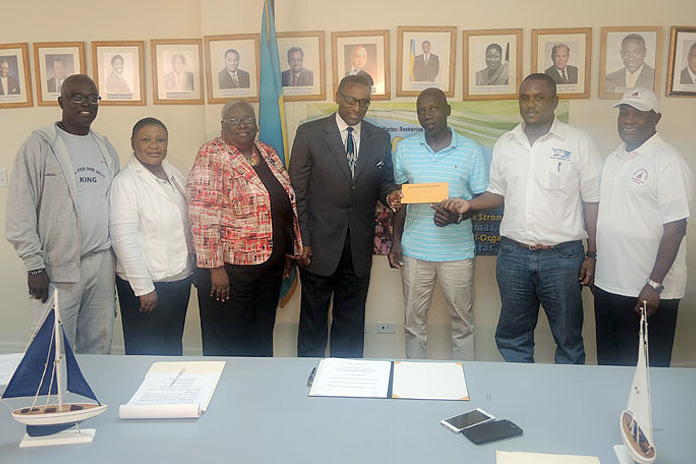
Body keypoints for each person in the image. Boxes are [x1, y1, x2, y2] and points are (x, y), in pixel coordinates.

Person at [440, 73, 602, 364]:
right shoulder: (506, 143)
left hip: (563, 258)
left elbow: (592, 201)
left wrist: (592, 252)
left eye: (539, 97)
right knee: (513, 339)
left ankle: (568, 403)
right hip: (514, 255)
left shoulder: (579, 143)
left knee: (568, 339)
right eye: (525, 97)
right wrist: (469, 204)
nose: (531, 104)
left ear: (555, 101)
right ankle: (519, 402)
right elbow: (496, 194)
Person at [289, 74, 401, 358]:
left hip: (358, 245)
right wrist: (303, 239)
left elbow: (384, 181)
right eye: (351, 100)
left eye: (364, 102)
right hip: (318, 245)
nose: (357, 107)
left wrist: (390, 196)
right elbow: (297, 193)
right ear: (337, 96)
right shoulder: (310, 134)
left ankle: (348, 381)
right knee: (313, 321)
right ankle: (307, 380)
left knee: (351, 321)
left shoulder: (379, 137)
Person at [5, 74, 119, 354]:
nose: (86, 104)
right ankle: (49, 399)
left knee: (99, 344)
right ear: (61, 101)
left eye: (93, 98)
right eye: (77, 97)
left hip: (101, 263)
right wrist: (34, 265)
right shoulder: (39, 145)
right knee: (50, 348)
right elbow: (19, 210)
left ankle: (92, 398)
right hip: (58, 266)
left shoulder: (104, 146)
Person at [187, 101, 302, 357]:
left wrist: (290, 249)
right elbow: (202, 215)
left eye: (248, 119)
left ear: (256, 124)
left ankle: (259, 389)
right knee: (231, 341)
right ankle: (231, 393)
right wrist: (215, 268)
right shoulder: (212, 154)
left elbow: (285, 202)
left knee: (261, 334)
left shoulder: (267, 152)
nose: (242, 125)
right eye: (234, 120)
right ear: (222, 126)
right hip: (230, 270)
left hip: (269, 266)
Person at [594, 88, 693, 367]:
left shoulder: (668, 161)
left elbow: (676, 228)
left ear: (656, 118)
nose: (628, 119)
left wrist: (654, 284)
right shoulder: (613, 158)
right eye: (624, 112)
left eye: (637, 114)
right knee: (610, 369)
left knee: (646, 376)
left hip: (647, 292)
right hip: (608, 286)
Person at [389, 88, 487, 360]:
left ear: (448, 110)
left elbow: (481, 200)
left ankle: (466, 381)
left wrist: (457, 216)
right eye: (421, 110)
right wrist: (396, 241)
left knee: (462, 325)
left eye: (433, 108)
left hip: (457, 253)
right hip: (414, 253)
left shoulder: (470, 149)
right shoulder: (405, 149)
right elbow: (402, 199)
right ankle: (414, 382)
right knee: (413, 325)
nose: (427, 115)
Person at [110, 118, 192, 356]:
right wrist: (143, 287)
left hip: (178, 279)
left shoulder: (173, 173)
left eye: (160, 140)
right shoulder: (125, 182)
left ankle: (173, 394)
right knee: (145, 353)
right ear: (133, 143)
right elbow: (123, 238)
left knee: (172, 346)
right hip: (146, 284)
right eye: (146, 139)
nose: (154, 146)